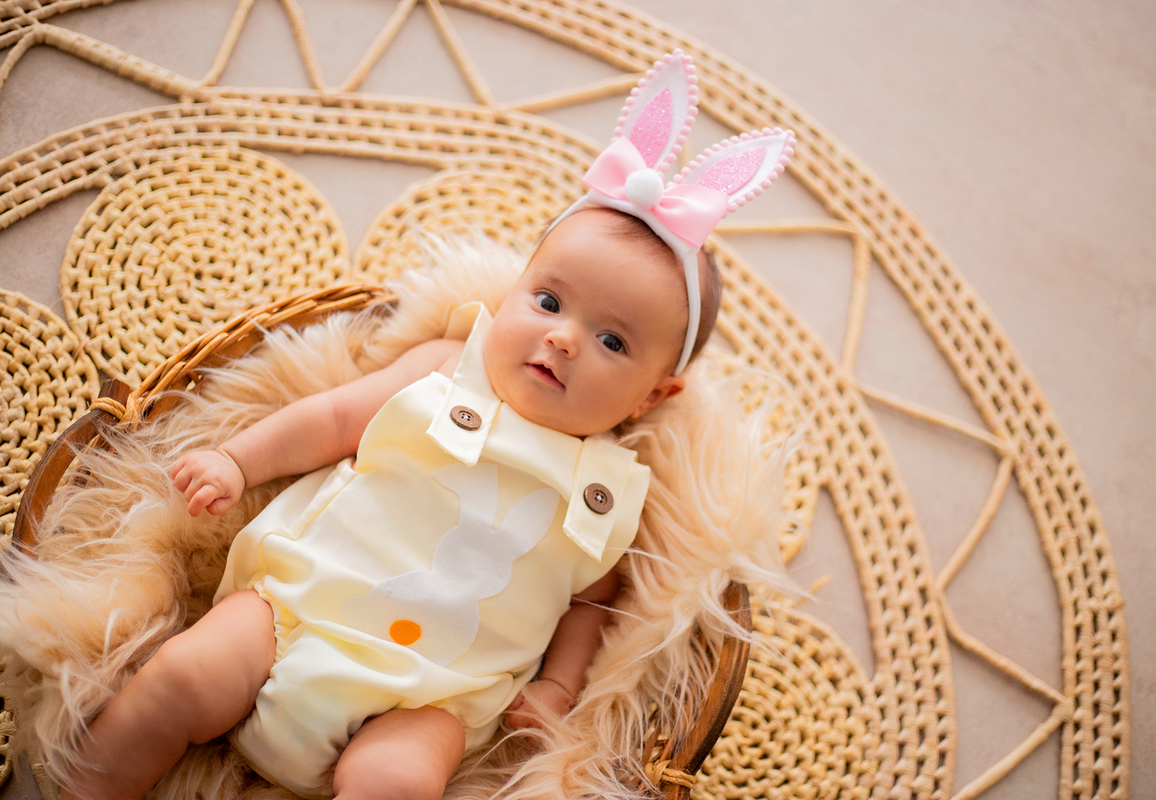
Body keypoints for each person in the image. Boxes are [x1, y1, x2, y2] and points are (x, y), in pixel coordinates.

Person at [59, 50, 795, 800]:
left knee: (399, 782)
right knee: (181, 676)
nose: (565, 338)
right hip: (294, 611)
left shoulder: (611, 491)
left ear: (652, 396)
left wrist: (561, 688)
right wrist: (238, 463)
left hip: (431, 696)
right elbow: (336, 417)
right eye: (547, 301)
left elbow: (590, 603)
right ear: (512, 293)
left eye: (612, 342)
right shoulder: (448, 366)